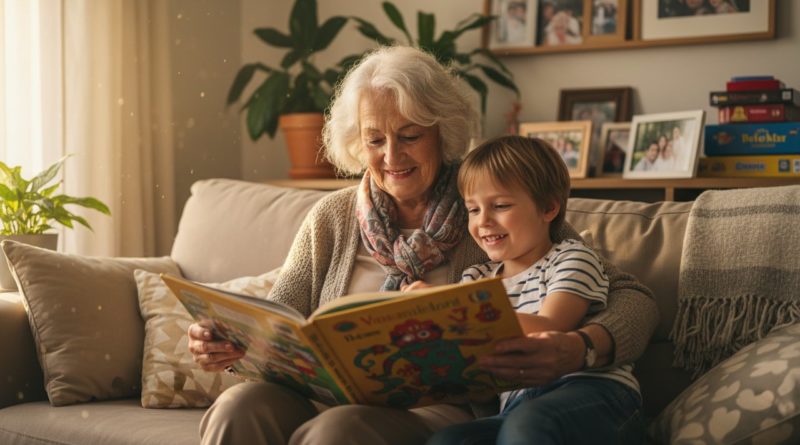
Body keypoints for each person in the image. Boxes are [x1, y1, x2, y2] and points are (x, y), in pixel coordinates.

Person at [187, 46, 657, 445]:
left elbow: (631, 297)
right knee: (240, 405)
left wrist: (585, 346)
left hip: (437, 407)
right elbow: (277, 316)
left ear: (442, 132)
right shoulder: (330, 218)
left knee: (339, 431)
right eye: (375, 139)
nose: (392, 156)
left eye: (409, 135)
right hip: (326, 391)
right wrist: (233, 344)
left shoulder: (486, 209)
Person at [425, 135, 642, 444]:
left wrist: (446, 308)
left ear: (548, 208)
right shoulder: (475, 278)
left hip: (593, 392)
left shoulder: (571, 258)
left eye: (499, 205)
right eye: (473, 210)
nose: (483, 220)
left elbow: (550, 328)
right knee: (448, 440)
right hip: (515, 405)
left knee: (529, 424)